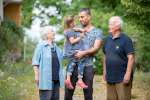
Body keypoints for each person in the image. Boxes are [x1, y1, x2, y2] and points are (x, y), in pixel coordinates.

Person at [64, 8, 103, 100]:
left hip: (87, 66)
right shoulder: (74, 29)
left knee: (88, 95)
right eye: (79, 17)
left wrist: (83, 53)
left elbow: (96, 48)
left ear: (89, 17)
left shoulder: (97, 32)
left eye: (82, 17)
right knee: (68, 95)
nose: (80, 19)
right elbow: (68, 41)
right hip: (72, 65)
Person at [103, 16, 135, 100]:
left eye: (110, 24)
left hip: (122, 77)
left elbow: (131, 57)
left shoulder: (126, 40)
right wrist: (104, 71)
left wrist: (128, 74)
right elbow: (105, 56)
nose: (108, 26)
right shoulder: (106, 39)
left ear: (117, 26)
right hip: (110, 77)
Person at [32, 27, 64, 100]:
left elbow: (64, 56)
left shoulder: (56, 47)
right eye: (52, 31)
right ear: (46, 35)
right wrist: (36, 76)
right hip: (45, 80)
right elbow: (35, 62)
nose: (54, 32)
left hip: (56, 79)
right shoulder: (41, 46)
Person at [63, 15, 88, 89]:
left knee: (72, 63)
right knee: (81, 60)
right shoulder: (70, 32)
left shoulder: (70, 30)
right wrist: (80, 37)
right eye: (73, 22)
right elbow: (72, 41)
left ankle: (68, 79)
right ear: (70, 23)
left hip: (70, 51)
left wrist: (82, 30)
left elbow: (76, 29)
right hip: (72, 51)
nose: (75, 23)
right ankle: (80, 79)